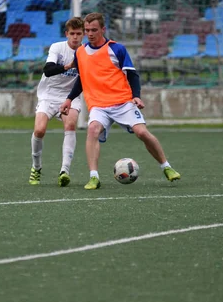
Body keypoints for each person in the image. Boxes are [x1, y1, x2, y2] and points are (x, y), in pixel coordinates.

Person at [59, 13, 181, 190]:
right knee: (92, 129)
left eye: (94, 30)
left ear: (103, 29)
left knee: (142, 133)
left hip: (123, 102)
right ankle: (94, 177)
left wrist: (136, 95)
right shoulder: (80, 52)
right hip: (98, 105)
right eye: (87, 30)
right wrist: (69, 99)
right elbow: (82, 79)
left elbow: (132, 74)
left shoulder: (116, 49)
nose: (90, 33)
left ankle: (167, 167)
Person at [29, 17, 85, 187]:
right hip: (48, 94)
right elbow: (48, 70)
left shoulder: (86, 52)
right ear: (66, 34)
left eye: (78, 34)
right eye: (72, 33)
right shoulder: (57, 47)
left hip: (71, 96)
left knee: (70, 126)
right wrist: (69, 66)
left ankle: (64, 171)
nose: (75, 37)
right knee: (39, 130)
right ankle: (36, 167)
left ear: (83, 35)